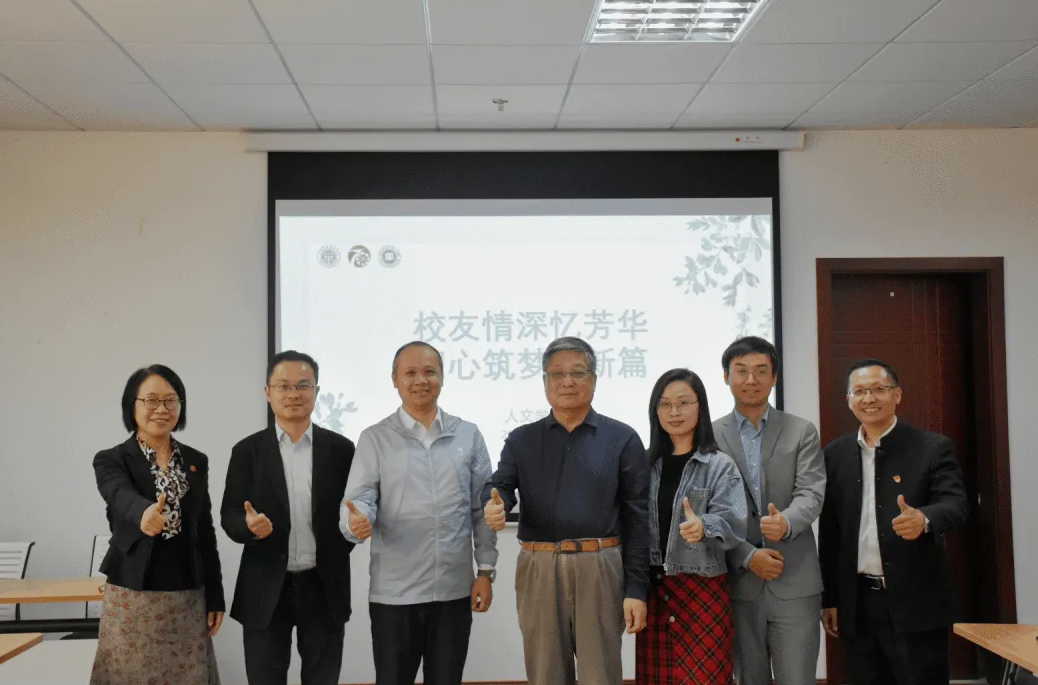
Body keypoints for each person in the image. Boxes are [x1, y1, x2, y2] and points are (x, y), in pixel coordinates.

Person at [482, 336, 650, 685]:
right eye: (557, 374)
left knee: (600, 675)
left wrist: (636, 588)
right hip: (539, 567)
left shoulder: (622, 438)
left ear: (594, 379)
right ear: (545, 381)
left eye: (577, 372)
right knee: (545, 674)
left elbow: (638, 518)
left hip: (600, 566)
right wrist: (495, 503)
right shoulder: (521, 439)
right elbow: (500, 484)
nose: (567, 381)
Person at [340, 341, 498, 685]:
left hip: (453, 591)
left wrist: (485, 570)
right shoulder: (375, 438)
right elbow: (359, 499)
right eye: (410, 373)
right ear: (395, 380)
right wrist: (356, 521)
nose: (420, 380)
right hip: (394, 595)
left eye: (429, 372)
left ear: (442, 377)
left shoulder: (468, 435)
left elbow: (482, 508)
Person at [819, 359, 969, 685]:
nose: (869, 398)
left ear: (897, 395)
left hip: (916, 601)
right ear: (848, 399)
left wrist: (925, 518)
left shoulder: (932, 447)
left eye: (878, 389)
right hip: (857, 604)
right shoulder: (834, 454)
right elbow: (830, 532)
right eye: (859, 391)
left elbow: (956, 505)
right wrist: (829, 598)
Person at [221, 351, 356, 685]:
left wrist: (354, 530)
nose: (294, 394)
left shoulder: (341, 450)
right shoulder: (247, 451)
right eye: (284, 386)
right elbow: (229, 514)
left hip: (324, 586)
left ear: (316, 391)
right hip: (265, 586)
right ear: (268, 392)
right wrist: (248, 527)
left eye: (303, 385)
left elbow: (351, 513)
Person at [90, 365, 224, 685]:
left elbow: (204, 530)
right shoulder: (111, 459)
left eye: (170, 400)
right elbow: (117, 493)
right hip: (132, 594)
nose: (161, 409)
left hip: (187, 594)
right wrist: (144, 513)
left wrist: (216, 595)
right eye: (151, 400)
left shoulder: (196, 460)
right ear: (132, 404)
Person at [712, 336, 826, 685]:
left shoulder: (801, 430)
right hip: (737, 582)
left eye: (761, 371)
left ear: (774, 377)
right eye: (741, 371)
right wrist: (747, 555)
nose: (751, 380)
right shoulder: (710, 436)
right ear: (726, 376)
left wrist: (787, 522)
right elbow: (709, 511)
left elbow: (811, 491)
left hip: (795, 579)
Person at [637, 368, 747, 685]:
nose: (674, 412)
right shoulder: (643, 465)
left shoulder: (719, 465)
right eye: (665, 403)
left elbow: (736, 520)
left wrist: (705, 526)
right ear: (655, 410)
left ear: (700, 407)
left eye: (684, 402)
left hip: (702, 589)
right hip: (654, 589)